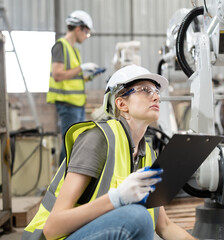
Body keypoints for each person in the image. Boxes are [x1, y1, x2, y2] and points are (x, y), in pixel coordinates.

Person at [23, 64, 196, 240]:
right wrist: (117, 199)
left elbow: (165, 226)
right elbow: (53, 227)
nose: (156, 97)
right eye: (146, 90)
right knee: (137, 217)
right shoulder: (97, 139)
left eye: (156, 91)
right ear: (121, 103)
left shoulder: (148, 154)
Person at [46, 10, 100, 165]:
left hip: (76, 104)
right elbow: (58, 75)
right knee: (70, 145)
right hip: (67, 105)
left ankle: (69, 181)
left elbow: (70, 76)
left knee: (76, 144)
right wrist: (81, 68)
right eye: (87, 33)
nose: (86, 36)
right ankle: (62, 184)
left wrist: (89, 76)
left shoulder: (74, 49)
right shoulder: (60, 46)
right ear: (78, 29)